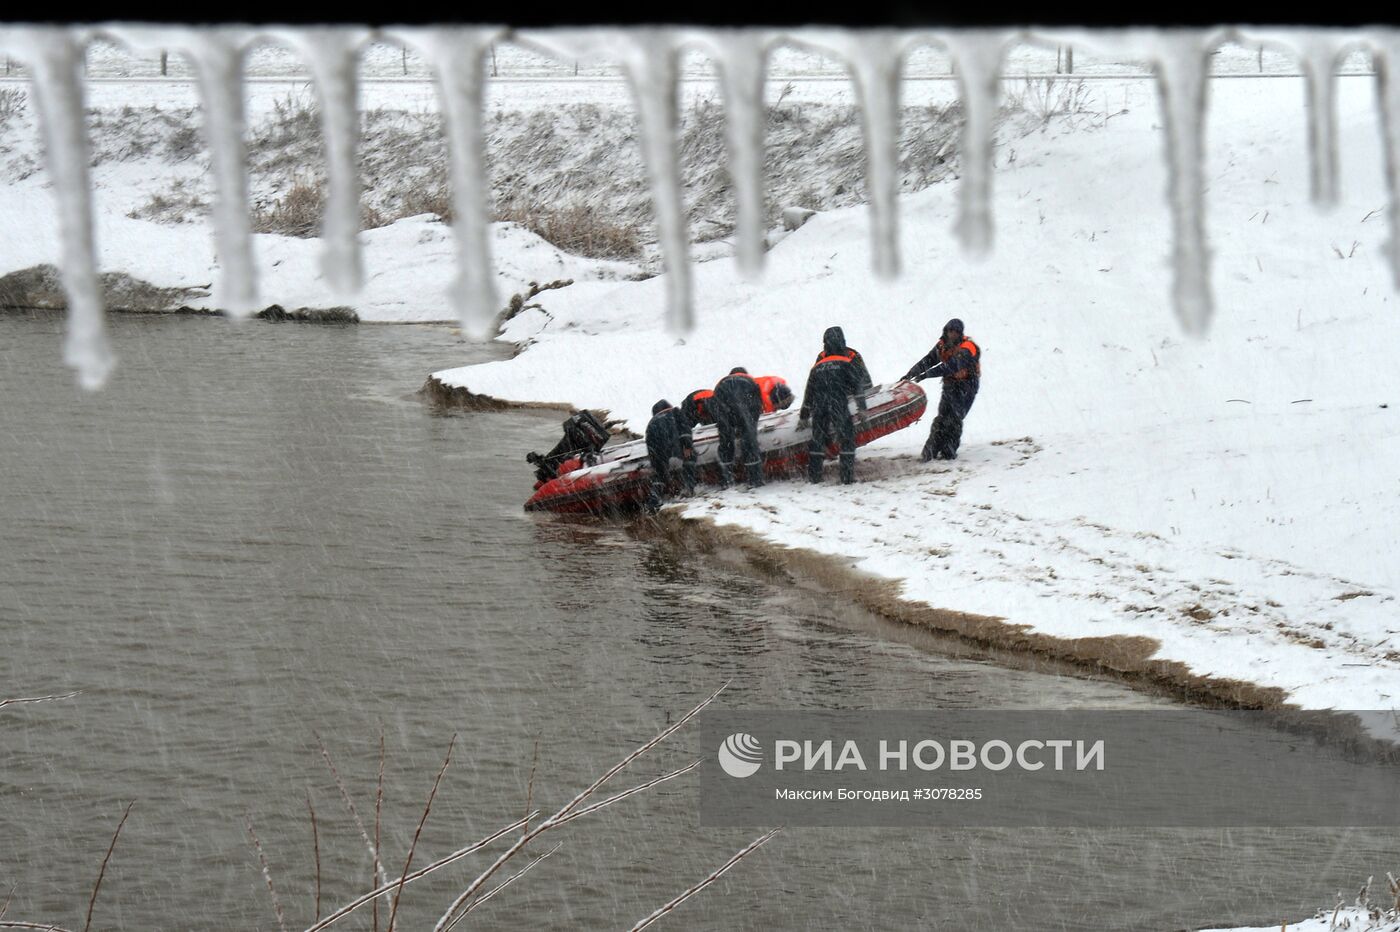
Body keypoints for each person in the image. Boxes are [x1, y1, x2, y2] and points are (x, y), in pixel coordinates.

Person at [902, 317, 981, 462]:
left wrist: (927, 375)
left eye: (956, 332)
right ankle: (930, 451)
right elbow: (929, 360)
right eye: (950, 331)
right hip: (950, 385)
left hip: (967, 385)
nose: (952, 334)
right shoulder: (942, 345)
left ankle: (948, 452)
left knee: (955, 418)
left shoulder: (968, 347)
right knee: (942, 418)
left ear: (960, 333)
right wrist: (911, 373)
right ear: (946, 331)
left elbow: (952, 365)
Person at [799, 328, 868, 484]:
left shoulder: (818, 366)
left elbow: (808, 392)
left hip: (819, 407)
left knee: (817, 440)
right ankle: (846, 477)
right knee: (847, 439)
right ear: (842, 341)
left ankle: (815, 477)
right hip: (838, 404)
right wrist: (862, 408)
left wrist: (804, 416)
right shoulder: (847, 362)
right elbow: (858, 387)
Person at [710, 367, 765, 488]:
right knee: (749, 444)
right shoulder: (751, 381)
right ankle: (755, 479)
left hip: (724, 409)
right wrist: (751, 424)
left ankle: (727, 480)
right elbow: (757, 404)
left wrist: (725, 423)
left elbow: (715, 406)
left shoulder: (721, 383)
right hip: (745, 410)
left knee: (726, 443)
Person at [643, 398, 696, 513]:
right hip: (672, 443)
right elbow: (685, 430)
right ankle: (689, 488)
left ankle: (654, 500)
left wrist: (656, 463)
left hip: (656, 447)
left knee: (659, 474)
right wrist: (687, 446)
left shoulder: (651, 423)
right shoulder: (675, 412)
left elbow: (649, 444)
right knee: (690, 457)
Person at [815, 326, 873, 392]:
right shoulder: (821, 357)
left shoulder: (852, 355)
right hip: (830, 396)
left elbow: (865, 382)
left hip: (848, 395)